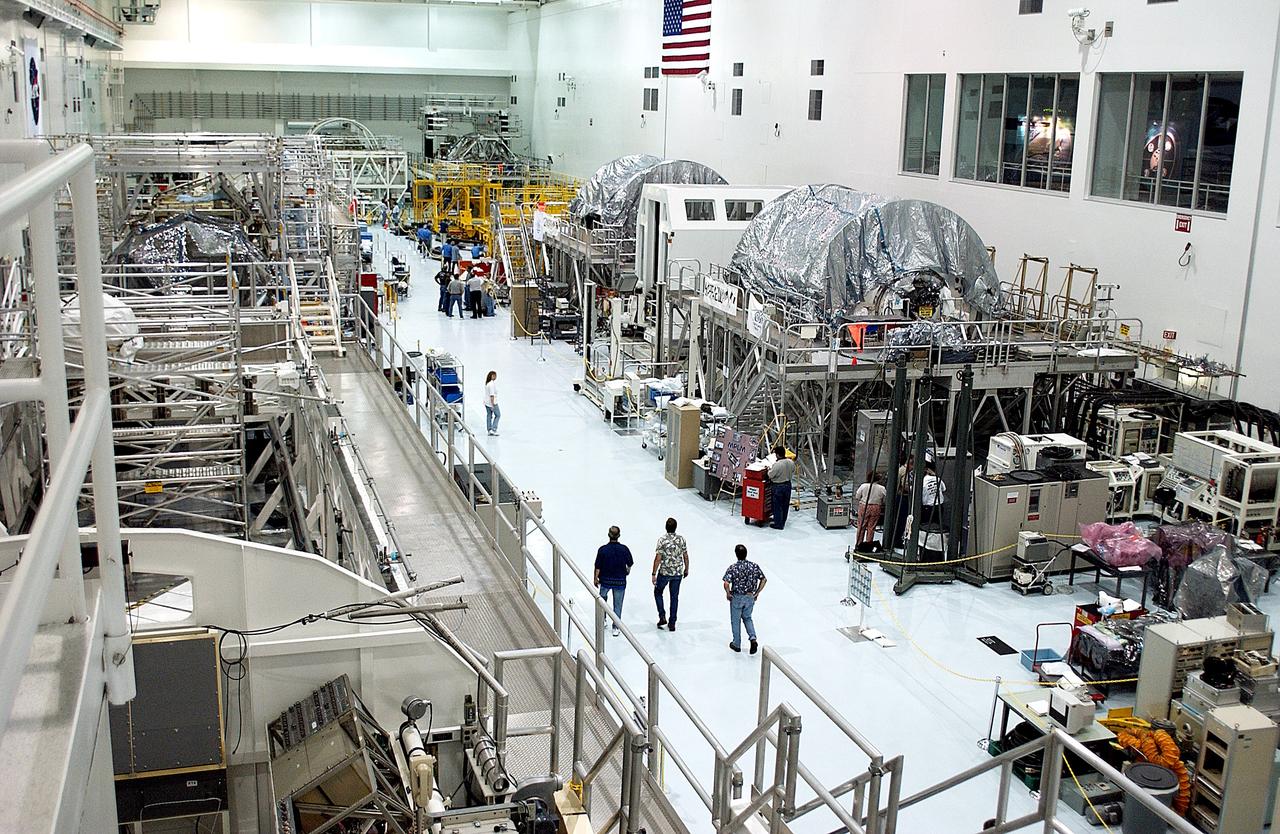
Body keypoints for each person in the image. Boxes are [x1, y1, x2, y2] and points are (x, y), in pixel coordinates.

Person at [723, 544, 766, 654]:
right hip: (750, 597)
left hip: (737, 597)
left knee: (735, 621)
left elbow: (726, 583)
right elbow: (764, 579)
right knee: (747, 618)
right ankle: (753, 639)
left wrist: (728, 593)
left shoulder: (733, 568)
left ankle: (737, 644)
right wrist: (757, 593)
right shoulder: (754, 566)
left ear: (736, 554)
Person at [651, 517, 689, 631]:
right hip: (677, 572)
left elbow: (658, 558)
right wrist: (686, 569)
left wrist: (653, 573)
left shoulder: (662, 540)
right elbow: (685, 555)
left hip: (664, 572)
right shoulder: (681, 539)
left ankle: (662, 616)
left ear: (666, 527)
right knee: (674, 597)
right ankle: (672, 622)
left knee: (658, 592)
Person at [594, 526, 633, 636]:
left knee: (602, 599)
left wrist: (595, 578)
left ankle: (603, 619)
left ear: (608, 535)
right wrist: (627, 571)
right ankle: (616, 626)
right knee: (618, 604)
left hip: (605, 580)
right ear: (619, 536)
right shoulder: (624, 549)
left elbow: (598, 566)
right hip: (620, 581)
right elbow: (630, 564)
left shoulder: (602, 550)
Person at [854, 470, 887, 550]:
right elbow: (885, 499)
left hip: (864, 506)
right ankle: (868, 546)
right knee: (871, 527)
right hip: (876, 507)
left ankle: (858, 544)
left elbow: (857, 496)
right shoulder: (881, 488)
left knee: (861, 526)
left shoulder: (863, 486)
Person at [766, 445, 796, 530]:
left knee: (777, 506)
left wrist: (769, 470)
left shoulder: (777, 464)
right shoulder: (790, 462)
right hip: (788, 486)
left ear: (778, 455)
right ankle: (782, 521)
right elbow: (793, 470)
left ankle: (778, 524)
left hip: (778, 487)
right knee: (785, 505)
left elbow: (770, 475)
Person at [921, 460, 946, 526]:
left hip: (928, 507)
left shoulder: (922, 481)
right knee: (938, 525)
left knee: (926, 526)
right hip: (939, 506)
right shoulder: (937, 479)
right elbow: (944, 489)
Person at [484, 371, 500, 435]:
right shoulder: (491, 384)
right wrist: (493, 404)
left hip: (487, 402)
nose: (496, 377)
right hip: (492, 403)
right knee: (498, 415)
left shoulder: (488, 383)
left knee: (489, 415)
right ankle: (494, 429)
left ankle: (489, 429)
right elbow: (492, 395)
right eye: (495, 375)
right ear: (492, 376)